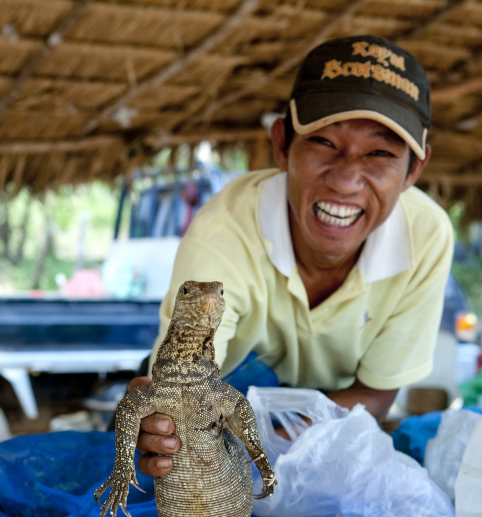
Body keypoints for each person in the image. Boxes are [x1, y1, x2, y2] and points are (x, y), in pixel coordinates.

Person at [132, 34, 454, 478]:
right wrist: (168, 422)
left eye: (380, 153)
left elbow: (376, 394)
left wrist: (280, 437)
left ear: (413, 171)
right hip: (224, 406)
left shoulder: (426, 237)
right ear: (282, 145)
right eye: (324, 142)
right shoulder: (224, 232)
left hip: (313, 419)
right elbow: (186, 381)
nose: (345, 181)